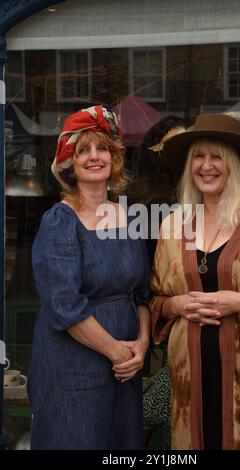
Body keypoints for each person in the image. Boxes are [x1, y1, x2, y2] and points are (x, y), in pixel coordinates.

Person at [149, 113, 240, 450]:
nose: (207, 166)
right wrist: (177, 304)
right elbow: (157, 300)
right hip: (191, 385)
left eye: (217, 156)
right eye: (198, 157)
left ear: (233, 163)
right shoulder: (172, 226)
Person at [28, 105, 150, 450]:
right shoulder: (59, 221)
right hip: (72, 368)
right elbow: (64, 306)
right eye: (84, 150)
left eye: (103, 149)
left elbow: (142, 294)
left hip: (126, 369)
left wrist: (141, 345)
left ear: (114, 160)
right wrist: (116, 352)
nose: (95, 157)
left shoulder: (128, 218)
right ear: (71, 164)